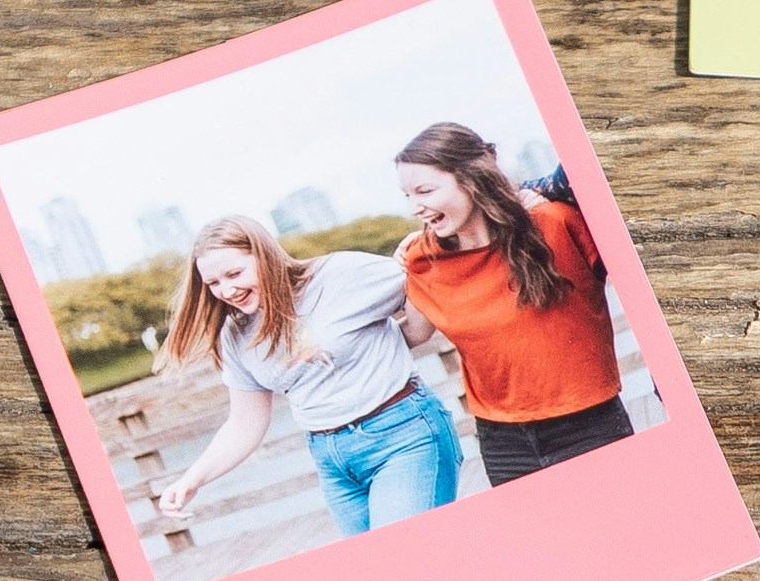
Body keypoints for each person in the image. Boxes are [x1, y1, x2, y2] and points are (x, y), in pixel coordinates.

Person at [147, 215, 461, 554]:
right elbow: (245, 423)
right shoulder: (235, 334)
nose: (227, 291)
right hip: (333, 461)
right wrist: (192, 479)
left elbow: (423, 280)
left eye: (235, 274)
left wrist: (410, 332)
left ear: (264, 256)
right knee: (378, 574)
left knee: (406, 559)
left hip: (403, 436)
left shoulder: (339, 275)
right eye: (213, 283)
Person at [390, 123, 632, 487]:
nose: (414, 207)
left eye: (424, 191)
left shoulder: (555, 222)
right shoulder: (423, 259)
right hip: (503, 441)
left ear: (471, 179)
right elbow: (413, 334)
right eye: (406, 195)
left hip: (591, 423)